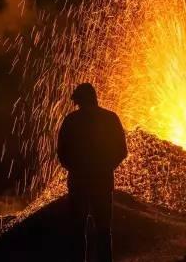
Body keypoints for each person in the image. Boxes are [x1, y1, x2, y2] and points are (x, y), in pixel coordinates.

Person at [57, 83, 128, 262]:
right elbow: (122, 151)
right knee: (104, 231)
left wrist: (77, 169)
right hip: (102, 183)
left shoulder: (71, 121)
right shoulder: (110, 118)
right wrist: (105, 167)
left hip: (78, 184)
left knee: (77, 232)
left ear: (80, 99)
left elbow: (62, 153)